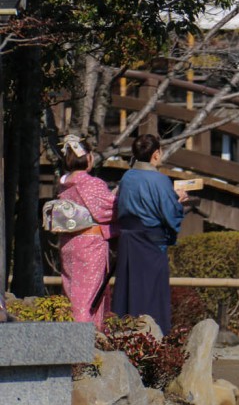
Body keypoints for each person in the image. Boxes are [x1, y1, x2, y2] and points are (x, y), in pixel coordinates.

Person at [111, 134, 187, 335]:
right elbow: (170, 214)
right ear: (156, 154)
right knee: (152, 295)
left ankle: (124, 336)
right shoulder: (160, 180)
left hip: (128, 240)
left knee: (129, 293)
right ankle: (152, 341)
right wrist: (178, 200)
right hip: (150, 242)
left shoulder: (127, 177)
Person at [56, 135, 117, 330]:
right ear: (87, 157)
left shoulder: (64, 184)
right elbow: (109, 210)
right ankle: (83, 343)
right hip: (89, 244)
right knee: (88, 296)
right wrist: (118, 196)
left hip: (68, 242)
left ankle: (72, 335)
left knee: (73, 292)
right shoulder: (90, 183)